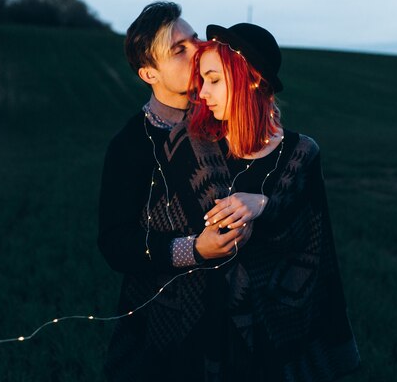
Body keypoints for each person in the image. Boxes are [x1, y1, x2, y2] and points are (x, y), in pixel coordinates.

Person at [152, 24, 361, 380]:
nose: (202, 92)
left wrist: (264, 204)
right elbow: (156, 231)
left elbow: (315, 247)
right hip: (202, 331)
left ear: (251, 79)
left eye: (214, 80)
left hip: (276, 338)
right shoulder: (190, 147)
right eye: (202, 80)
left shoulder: (301, 153)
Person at [97, 2, 268, 381]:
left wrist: (263, 202)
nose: (197, 51)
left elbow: (274, 182)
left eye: (194, 40)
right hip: (162, 323)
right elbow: (115, 242)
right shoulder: (130, 145)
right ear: (148, 73)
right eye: (178, 49)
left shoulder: (229, 125)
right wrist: (194, 249)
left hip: (238, 315)